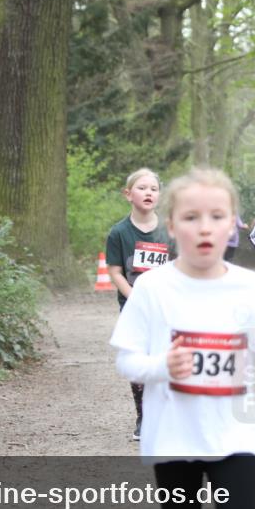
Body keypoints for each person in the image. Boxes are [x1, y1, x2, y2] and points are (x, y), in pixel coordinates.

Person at [109, 168, 255, 509]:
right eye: (191, 217)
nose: (204, 227)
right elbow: (126, 359)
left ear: (233, 225)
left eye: (216, 216)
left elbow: (249, 343)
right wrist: (161, 366)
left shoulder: (248, 285)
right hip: (174, 436)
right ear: (172, 226)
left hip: (232, 432)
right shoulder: (152, 287)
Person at [106, 168, 171, 441]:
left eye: (153, 189)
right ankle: (144, 417)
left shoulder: (170, 229)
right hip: (134, 307)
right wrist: (134, 295)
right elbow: (115, 271)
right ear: (128, 194)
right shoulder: (119, 232)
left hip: (168, 307)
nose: (148, 193)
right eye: (142, 188)